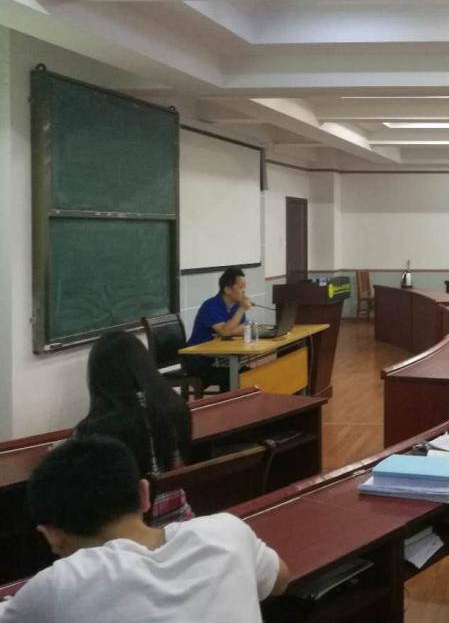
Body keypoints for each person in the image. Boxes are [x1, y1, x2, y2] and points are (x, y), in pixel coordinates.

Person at [0, 435, 288, 623]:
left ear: (51, 536)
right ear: (144, 494)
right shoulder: (227, 531)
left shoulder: (58, 586)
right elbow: (279, 580)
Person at [75, 332, 193, 528]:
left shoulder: (95, 430)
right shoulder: (176, 408)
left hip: (133, 533)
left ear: (99, 377)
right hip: (180, 520)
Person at [185, 266, 253, 389]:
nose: (244, 291)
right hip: (199, 361)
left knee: (249, 373)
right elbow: (226, 332)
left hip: (220, 358)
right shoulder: (210, 306)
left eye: (245, 287)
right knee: (235, 375)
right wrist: (241, 311)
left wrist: (230, 330)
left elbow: (244, 329)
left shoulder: (236, 305)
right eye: (241, 287)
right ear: (227, 289)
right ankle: (229, 402)